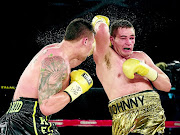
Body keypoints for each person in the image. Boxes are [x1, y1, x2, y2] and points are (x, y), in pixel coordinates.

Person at [0, 18, 95, 135]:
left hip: (20, 119)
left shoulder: (54, 51)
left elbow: (79, 58)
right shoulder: (57, 60)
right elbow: (46, 107)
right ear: (85, 41)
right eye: (92, 43)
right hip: (27, 120)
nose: (92, 48)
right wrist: (77, 88)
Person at [91, 15, 171, 135]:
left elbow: (166, 86)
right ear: (112, 40)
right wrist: (99, 21)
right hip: (125, 118)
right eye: (123, 38)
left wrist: (147, 71)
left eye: (131, 38)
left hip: (153, 115)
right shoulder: (106, 57)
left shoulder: (141, 56)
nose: (128, 42)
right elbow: (102, 29)